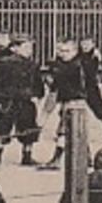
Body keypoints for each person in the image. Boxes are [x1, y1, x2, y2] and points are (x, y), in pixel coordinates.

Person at [0, 35, 42, 166]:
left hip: (26, 101)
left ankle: (27, 156)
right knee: (2, 128)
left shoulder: (32, 64)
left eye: (30, 47)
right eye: (26, 47)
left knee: (28, 128)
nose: (29, 50)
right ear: (15, 48)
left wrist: (37, 95)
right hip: (8, 101)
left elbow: (37, 82)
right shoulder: (3, 63)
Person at [40, 39, 87, 171]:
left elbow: (60, 87)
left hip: (75, 102)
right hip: (67, 102)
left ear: (75, 51)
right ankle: (87, 159)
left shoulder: (75, 66)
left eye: (67, 51)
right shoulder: (63, 65)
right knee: (75, 131)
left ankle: (56, 160)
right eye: (61, 50)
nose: (63, 54)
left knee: (65, 131)